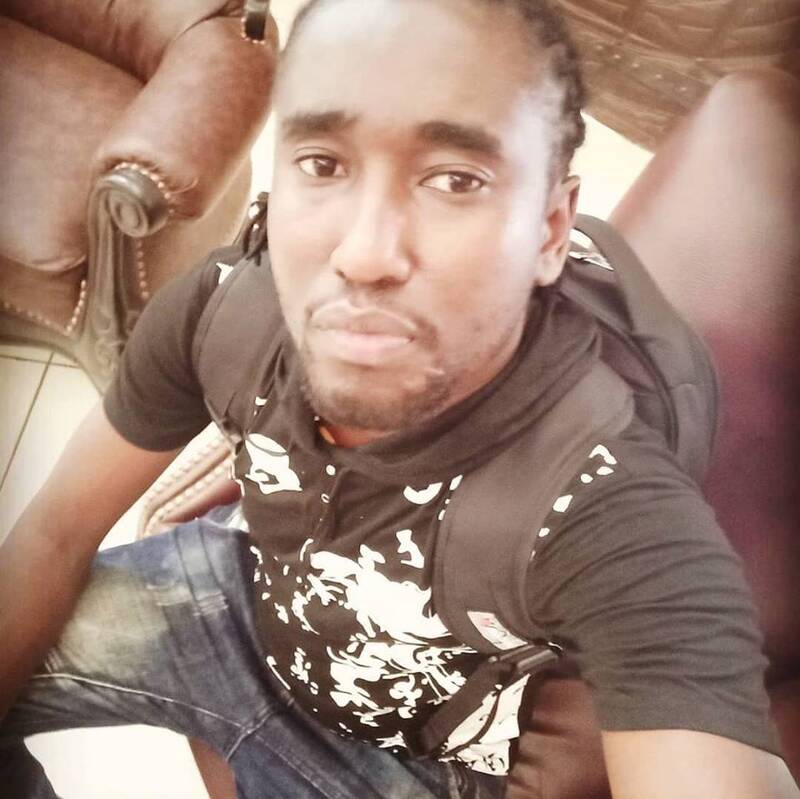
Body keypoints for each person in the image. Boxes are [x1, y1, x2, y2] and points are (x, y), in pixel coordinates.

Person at [1, 0, 798, 796]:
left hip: (407, 765)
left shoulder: (606, 503)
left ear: (550, 231)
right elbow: (51, 536)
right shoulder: (222, 310)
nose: (364, 253)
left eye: (455, 180)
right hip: (238, 613)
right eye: (324, 164)